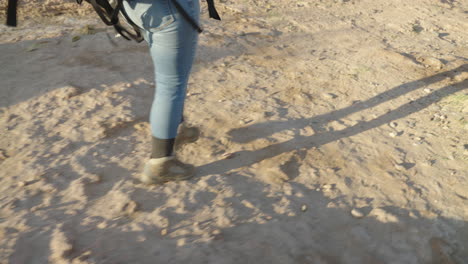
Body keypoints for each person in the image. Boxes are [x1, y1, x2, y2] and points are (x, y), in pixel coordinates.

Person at [123, 0, 201, 184]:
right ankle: (161, 162)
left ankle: (176, 128)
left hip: (141, 9)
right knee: (171, 84)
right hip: (170, 10)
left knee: (171, 81)